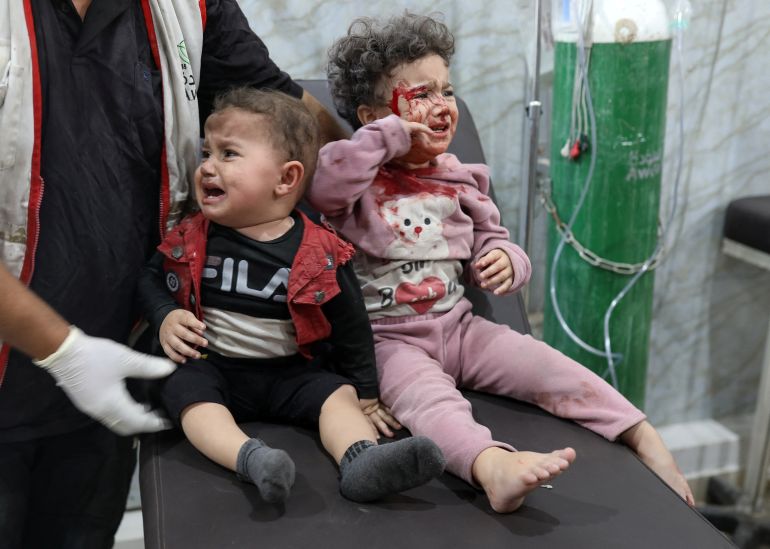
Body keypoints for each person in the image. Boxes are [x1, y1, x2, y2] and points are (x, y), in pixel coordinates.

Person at [306, 12, 695, 514]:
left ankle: (642, 435)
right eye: (420, 94)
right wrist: (388, 137)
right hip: (390, 341)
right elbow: (324, 185)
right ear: (371, 116)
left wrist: (505, 260)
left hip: (463, 329)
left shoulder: (462, 179)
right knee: (433, 405)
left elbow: (495, 240)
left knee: (553, 369)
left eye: (446, 92)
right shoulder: (357, 177)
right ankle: (493, 468)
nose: (441, 105)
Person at [0, 1, 347, 547]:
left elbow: (292, 121)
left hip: (113, 382)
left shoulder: (192, 8)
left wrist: (385, 159)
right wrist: (62, 350)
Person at [138, 87, 445, 504]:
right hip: (214, 367)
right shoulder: (192, 235)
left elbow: (352, 326)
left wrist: (366, 394)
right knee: (186, 393)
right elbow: (149, 279)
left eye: (228, 154)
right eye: (206, 154)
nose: (208, 167)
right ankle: (249, 458)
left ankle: (361, 461)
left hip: (290, 374)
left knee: (338, 396)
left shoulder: (322, 251)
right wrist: (165, 316)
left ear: (286, 178)